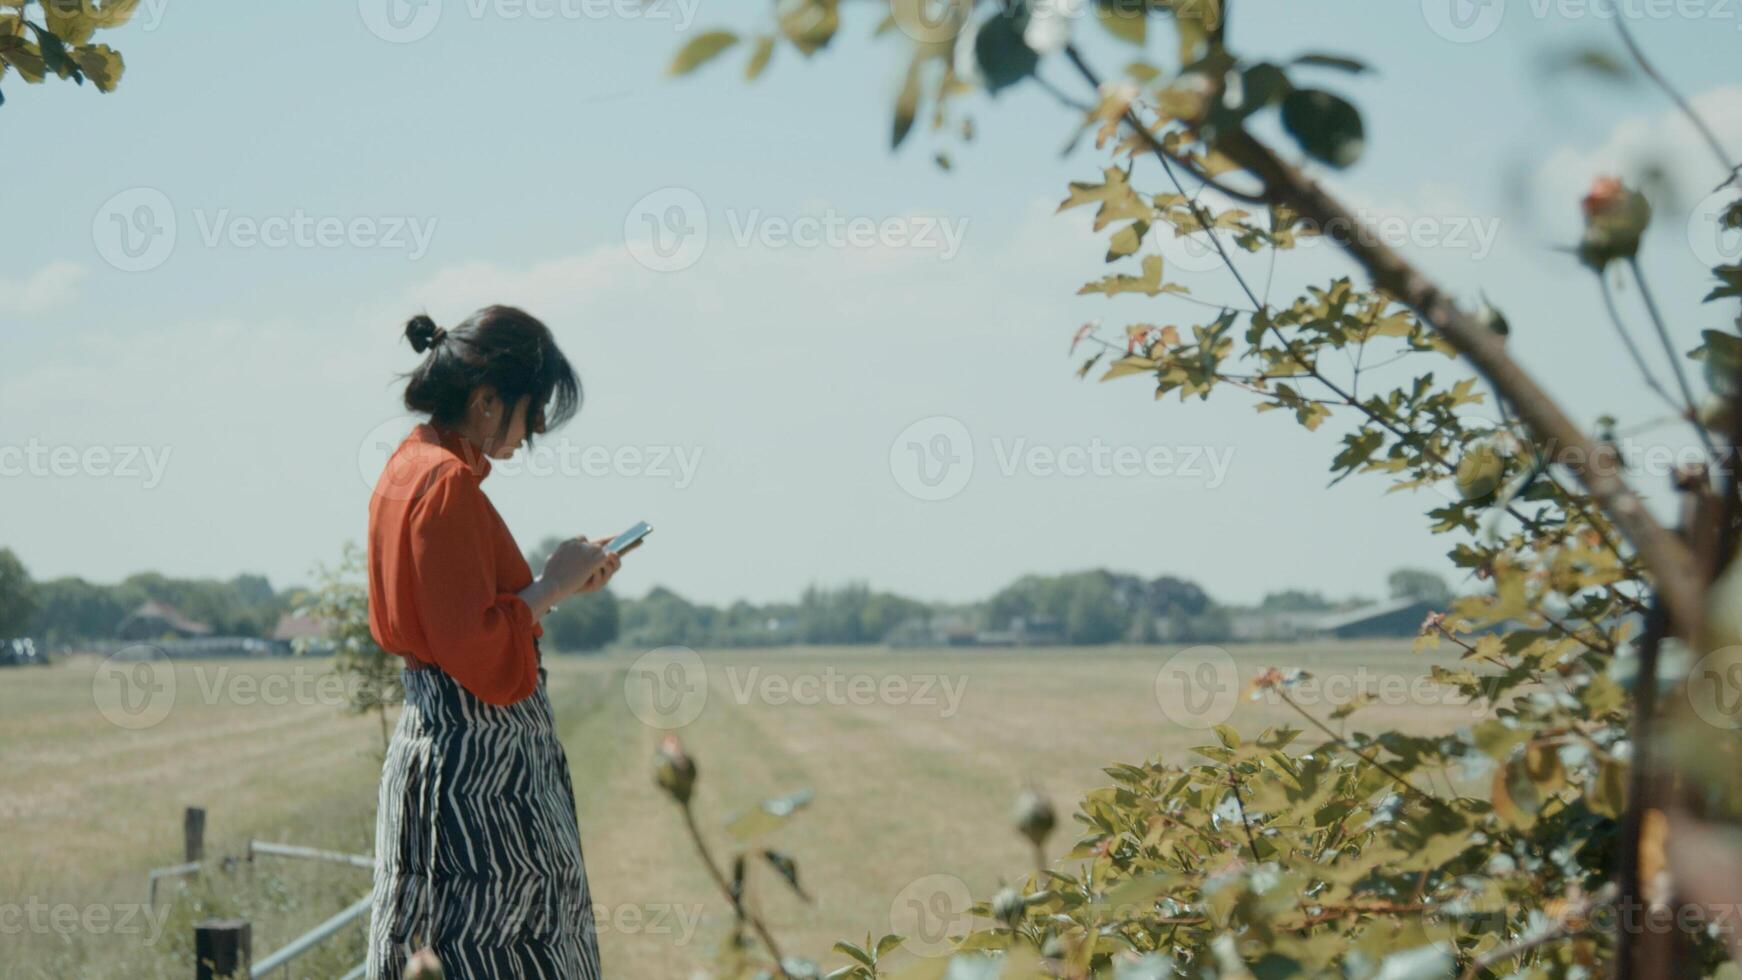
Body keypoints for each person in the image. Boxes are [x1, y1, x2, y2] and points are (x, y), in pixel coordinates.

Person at [364, 305, 619, 979]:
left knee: (430, 941)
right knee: (509, 952)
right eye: (529, 412)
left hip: (433, 749)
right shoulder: (445, 483)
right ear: (485, 400)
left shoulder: (406, 468)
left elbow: (453, 622)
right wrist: (553, 586)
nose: (532, 432)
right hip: (483, 773)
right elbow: (479, 652)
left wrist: (553, 589)